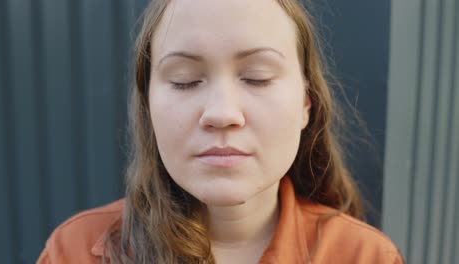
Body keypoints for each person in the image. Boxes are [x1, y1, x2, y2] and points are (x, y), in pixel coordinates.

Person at [37, 0, 403, 263]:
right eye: (185, 81)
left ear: (306, 104)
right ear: (148, 107)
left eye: (257, 78)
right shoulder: (75, 252)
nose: (222, 113)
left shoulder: (365, 257)